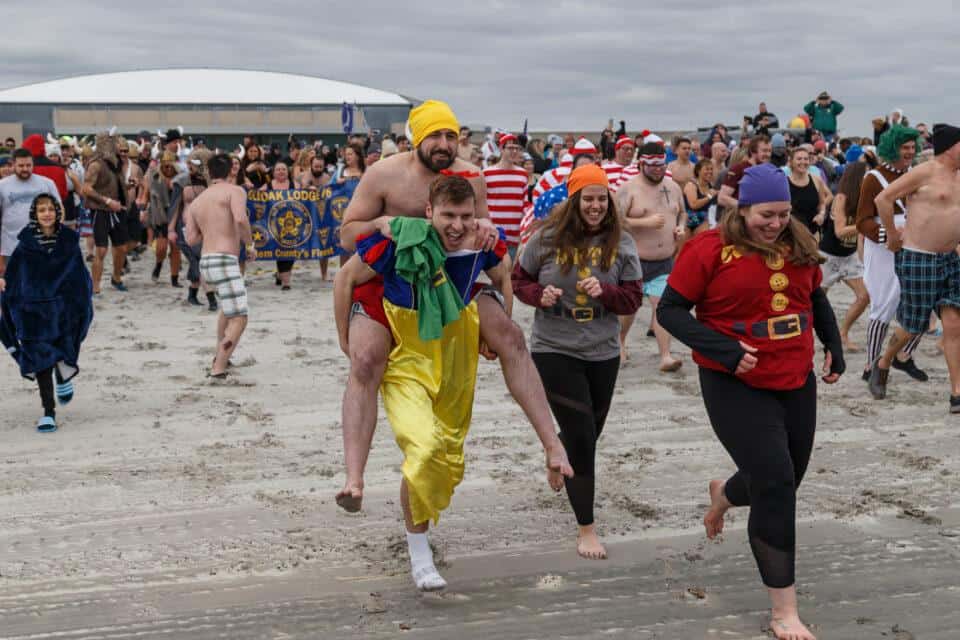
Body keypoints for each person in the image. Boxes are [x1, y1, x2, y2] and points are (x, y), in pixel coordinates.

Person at [335, 174, 572, 590]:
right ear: (429, 212)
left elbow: (503, 275)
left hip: (456, 353)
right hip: (408, 355)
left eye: (466, 215)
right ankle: (418, 552)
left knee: (446, 457)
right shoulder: (400, 239)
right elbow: (346, 280)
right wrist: (344, 338)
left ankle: (552, 445)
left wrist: (497, 325)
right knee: (422, 448)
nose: (457, 225)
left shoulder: (481, 242)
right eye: (448, 215)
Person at [335, 99, 572, 512]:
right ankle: (354, 477)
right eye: (435, 136)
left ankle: (552, 446)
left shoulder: (471, 177)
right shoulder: (384, 175)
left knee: (512, 338)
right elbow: (346, 235)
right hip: (390, 276)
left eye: (451, 135)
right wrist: (381, 225)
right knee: (365, 361)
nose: (445, 144)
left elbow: (486, 244)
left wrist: (487, 230)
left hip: (453, 280)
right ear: (416, 137)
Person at [657, 163, 844, 640]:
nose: (776, 222)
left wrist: (833, 346)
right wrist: (724, 350)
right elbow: (670, 311)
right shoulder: (709, 248)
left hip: (794, 376)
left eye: (783, 213)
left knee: (786, 477)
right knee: (777, 484)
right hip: (733, 380)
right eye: (766, 214)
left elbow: (814, 298)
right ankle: (784, 610)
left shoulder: (798, 242)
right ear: (743, 208)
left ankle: (725, 494)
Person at [512, 164, 642, 560]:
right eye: (588, 199)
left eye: (602, 199)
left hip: (603, 348)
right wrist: (539, 296)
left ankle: (558, 456)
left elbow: (633, 299)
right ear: (574, 201)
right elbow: (519, 281)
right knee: (583, 438)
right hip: (554, 347)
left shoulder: (622, 242)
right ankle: (586, 528)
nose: (596, 206)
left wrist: (605, 292)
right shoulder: (546, 238)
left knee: (589, 432)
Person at [868, 124, 960, 411]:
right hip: (919, 257)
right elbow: (882, 199)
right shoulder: (924, 172)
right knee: (912, 326)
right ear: (951, 147)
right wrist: (892, 236)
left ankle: (957, 392)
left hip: (950, 259)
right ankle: (883, 362)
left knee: (954, 324)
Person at [0, 194, 93, 432]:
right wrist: (5, 288)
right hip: (34, 311)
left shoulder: (69, 242)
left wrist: (83, 301)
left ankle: (63, 375)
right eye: (41, 210)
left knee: (65, 349)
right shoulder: (25, 245)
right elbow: (14, 276)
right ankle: (48, 411)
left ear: (57, 212)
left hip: (64, 308)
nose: (47, 214)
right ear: (35, 215)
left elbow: (79, 274)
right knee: (41, 361)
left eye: (51, 209)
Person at [855, 124, 928, 386]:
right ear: (892, 147)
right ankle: (870, 364)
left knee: (924, 302)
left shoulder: (917, 175)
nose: (909, 152)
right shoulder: (873, 178)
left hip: (915, 245)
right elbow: (861, 221)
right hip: (883, 249)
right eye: (904, 147)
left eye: (912, 147)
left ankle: (904, 356)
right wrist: (889, 235)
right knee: (883, 305)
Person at [184, 154, 255, 379]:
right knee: (240, 317)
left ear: (209, 172)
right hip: (225, 259)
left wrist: (211, 226)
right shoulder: (234, 191)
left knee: (227, 308)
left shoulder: (197, 201)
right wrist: (250, 244)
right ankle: (219, 368)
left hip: (206, 261)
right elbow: (241, 219)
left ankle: (220, 355)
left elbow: (191, 239)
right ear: (230, 171)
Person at [616, 141, 685, 369]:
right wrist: (644, 222)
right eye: (653, 165)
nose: (658, 169)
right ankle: (620, 344)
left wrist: (681, 227)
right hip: (633, 260)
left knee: (662, 306)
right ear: (641, 164)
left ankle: (665, 355)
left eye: (661, 164)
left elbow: (682, 213)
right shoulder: (628, 189)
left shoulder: (673, 187)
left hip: (664, 261)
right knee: (629, 308)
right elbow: (615, 222)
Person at [820, 161, 869, 351]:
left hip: (849, 257)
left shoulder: (864, 199)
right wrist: (865, 225)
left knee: (864, 296)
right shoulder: (841, 198)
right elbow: (840, 231)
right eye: (865, 175)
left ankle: (843, 333)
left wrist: (863, 258)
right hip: (828, 256)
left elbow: (860, 236)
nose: (868, 178)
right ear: (856, 177)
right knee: (816, 301)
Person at [0, 148, 61, 276]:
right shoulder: (2, 186)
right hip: (11, 247)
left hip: (41, 246)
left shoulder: (47, 184)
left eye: (28, 165)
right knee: (13, 287)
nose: (25, 169)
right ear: (13, 165)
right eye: (21, 165)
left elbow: (59, 210)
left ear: (33, 164)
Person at [82, 131, 129, 294]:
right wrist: (108, 201)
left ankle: (116, 278)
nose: (118, 145)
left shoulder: (115, 162)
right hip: (100, 211)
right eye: (115, 142)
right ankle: (95, 286)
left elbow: (113, 186)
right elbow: (86, 188)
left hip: (117, 210)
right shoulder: (96, 164)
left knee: (122, 248)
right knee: (101, 250)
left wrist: (129, 186)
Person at [169, 151, 217, 310]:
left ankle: (192, 294)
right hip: (185, 227)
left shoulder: (210, 182)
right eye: (189, 163)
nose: (190, 166)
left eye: (194, 164)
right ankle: (211, 300)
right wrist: (171, 230)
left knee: (200, 261)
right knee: (200, 260)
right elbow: (174, 207)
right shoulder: (181, 181)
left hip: (206, 227)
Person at [141, 151, 182, 286]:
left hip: (176, 214)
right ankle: (159, 265)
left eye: (171, 166)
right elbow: (146, 193)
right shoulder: (155, 176)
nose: (168, 169)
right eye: (165, 166)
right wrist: (143, 209)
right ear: (162, 165)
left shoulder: (181, 177)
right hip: (160, 214)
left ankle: (174, 279)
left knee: (175, 247)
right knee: (161, 248)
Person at [483, 132, 527, 253]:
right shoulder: (486, 173)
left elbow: (525, 204)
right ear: (501, 149)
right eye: (510, 148)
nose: (514, 151)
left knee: (511, 272)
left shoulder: (522, 174)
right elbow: (482, 203)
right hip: (493, 234)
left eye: (517, 149)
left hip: (515, 235)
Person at [718, 135, 772, 213]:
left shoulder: (769, 170)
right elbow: (722, 198)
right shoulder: (738, 169)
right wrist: (747, 208)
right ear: (753, 152)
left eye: (770, 151)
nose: (768, 154)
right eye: (764, 151)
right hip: (738, 217)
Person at [785, 148, 828, 236]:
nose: (803, 162)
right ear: (792, 162)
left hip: (813, 233)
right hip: (792, 234)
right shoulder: (784, 182)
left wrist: (821, 215)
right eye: (799, 159)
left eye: (806, 159)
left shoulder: (816, 180)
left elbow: (822, 203)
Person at [683, 159, 717, 237]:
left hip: (704, 220)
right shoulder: (691, 185)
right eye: (707, 169)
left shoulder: (711, 186)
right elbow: (693, 205)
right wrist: (709, 196)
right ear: (698, 171)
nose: (710, 172)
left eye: (711, 169)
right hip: (688, 220)